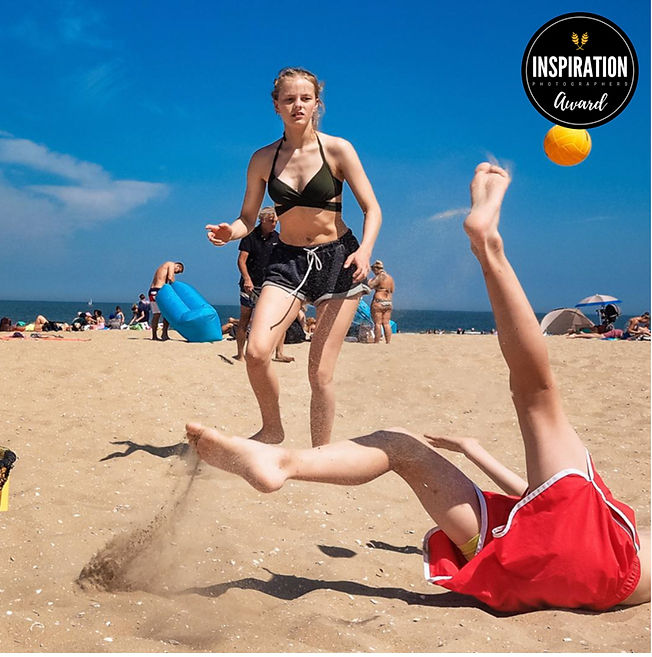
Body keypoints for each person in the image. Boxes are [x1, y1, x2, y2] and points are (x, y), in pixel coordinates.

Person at [187, 163, 649, 612]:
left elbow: (547, 499)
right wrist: (474, 451)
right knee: (407, 444)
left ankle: (489, 248)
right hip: (554, 568)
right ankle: (279, 461)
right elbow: (536, 497)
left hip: (557, 551)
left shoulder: (617, 527)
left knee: (536, 396)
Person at [205, 66, 382, 446]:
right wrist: (229, 232)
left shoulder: (338, 149)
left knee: (319, 374)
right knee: (256, 352)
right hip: (288, 261)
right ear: (276, 106)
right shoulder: (262, 159)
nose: (297, 105)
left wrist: (365, 251)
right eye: (289, 99)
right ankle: (272, 429)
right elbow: (247, 218)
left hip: (340, 261)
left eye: (305, 98)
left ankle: (321, 452)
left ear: (317, 103)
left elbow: (372, 208)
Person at [234, 206, 293, 363]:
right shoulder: (250, 236)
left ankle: (279, 353)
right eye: (272, 221)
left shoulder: (278, 238)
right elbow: (241, 261)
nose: (275, 224)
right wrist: (247, 278)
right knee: (245, 319)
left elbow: (283, 261)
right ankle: (240, 354)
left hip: (270, 285)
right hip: (250, 284)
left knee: (278, 319)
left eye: (276, 221)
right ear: (263, 220)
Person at [149, 261, 184, 341]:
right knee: (167, 313)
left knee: (156, 314)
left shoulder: (162, 267)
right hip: (159, 291)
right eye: (177, 271)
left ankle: (154, 336)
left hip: (152, 291)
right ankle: (164, 334)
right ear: (178, 266)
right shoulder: (170, 264)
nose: (176, 273)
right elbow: (170, 277)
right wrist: (176, 287)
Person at [367, 260, 395, 343]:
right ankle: (388, 341)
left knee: (378, 323)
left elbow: (370, 285)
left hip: (379, 301)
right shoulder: (390, 278)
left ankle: (376, 341)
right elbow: (392, 290)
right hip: (388, 301)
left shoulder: (380, 276)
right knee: (386, 323)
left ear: (376, 269)